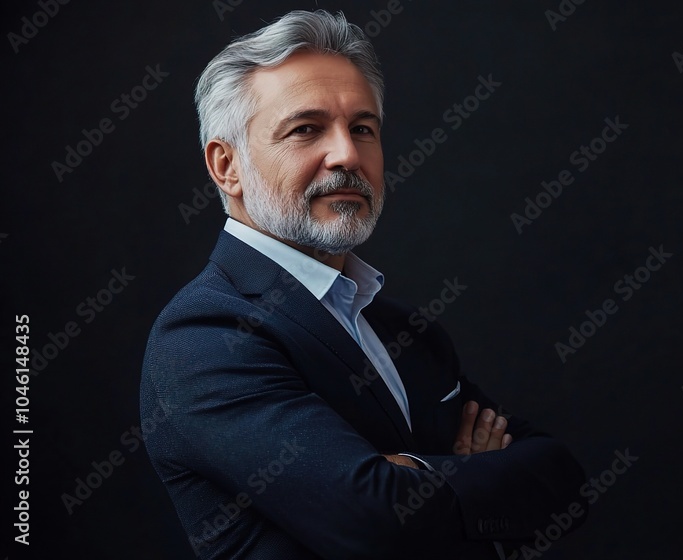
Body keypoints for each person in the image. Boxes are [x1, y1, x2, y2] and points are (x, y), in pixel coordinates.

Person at [139, 9, 587, 559]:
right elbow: (373, 519)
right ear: (227, 165)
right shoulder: (204, 336)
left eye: (363, 128)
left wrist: (414, 476)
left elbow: (563, 478)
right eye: (306, 129)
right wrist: (467, 477)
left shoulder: (405, 330)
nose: (347, 155)